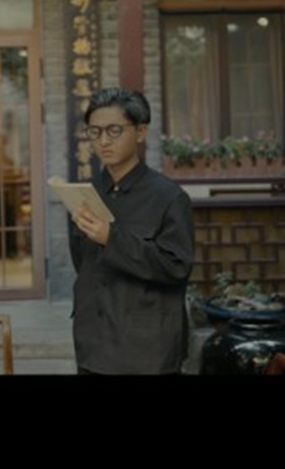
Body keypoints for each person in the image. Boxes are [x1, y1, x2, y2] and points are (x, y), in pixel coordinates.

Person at [68, 87, 194, 374]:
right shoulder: (86, 194)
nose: (103, 141)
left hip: (146, 350)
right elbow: (81, 262)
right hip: (92, 342)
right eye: (95, 132)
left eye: (114, 130)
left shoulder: (169, 197)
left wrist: (111, 239)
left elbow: (177, 267)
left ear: (140, 132)